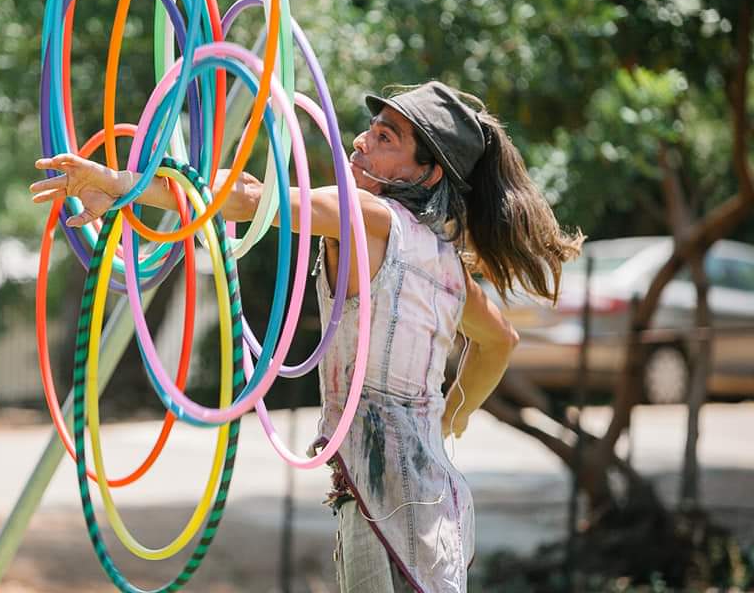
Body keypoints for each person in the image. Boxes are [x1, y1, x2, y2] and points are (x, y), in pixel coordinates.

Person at [30, 80, 583, 592]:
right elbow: (500, 340)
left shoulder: (369, 215)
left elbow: (250, 200)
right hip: (433, 500)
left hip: (381, 499)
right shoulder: (443, 260)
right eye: (372, 128)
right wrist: (444, 424)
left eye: (386, 138)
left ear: (426, 173)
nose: (363, 140)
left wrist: (122, 186)